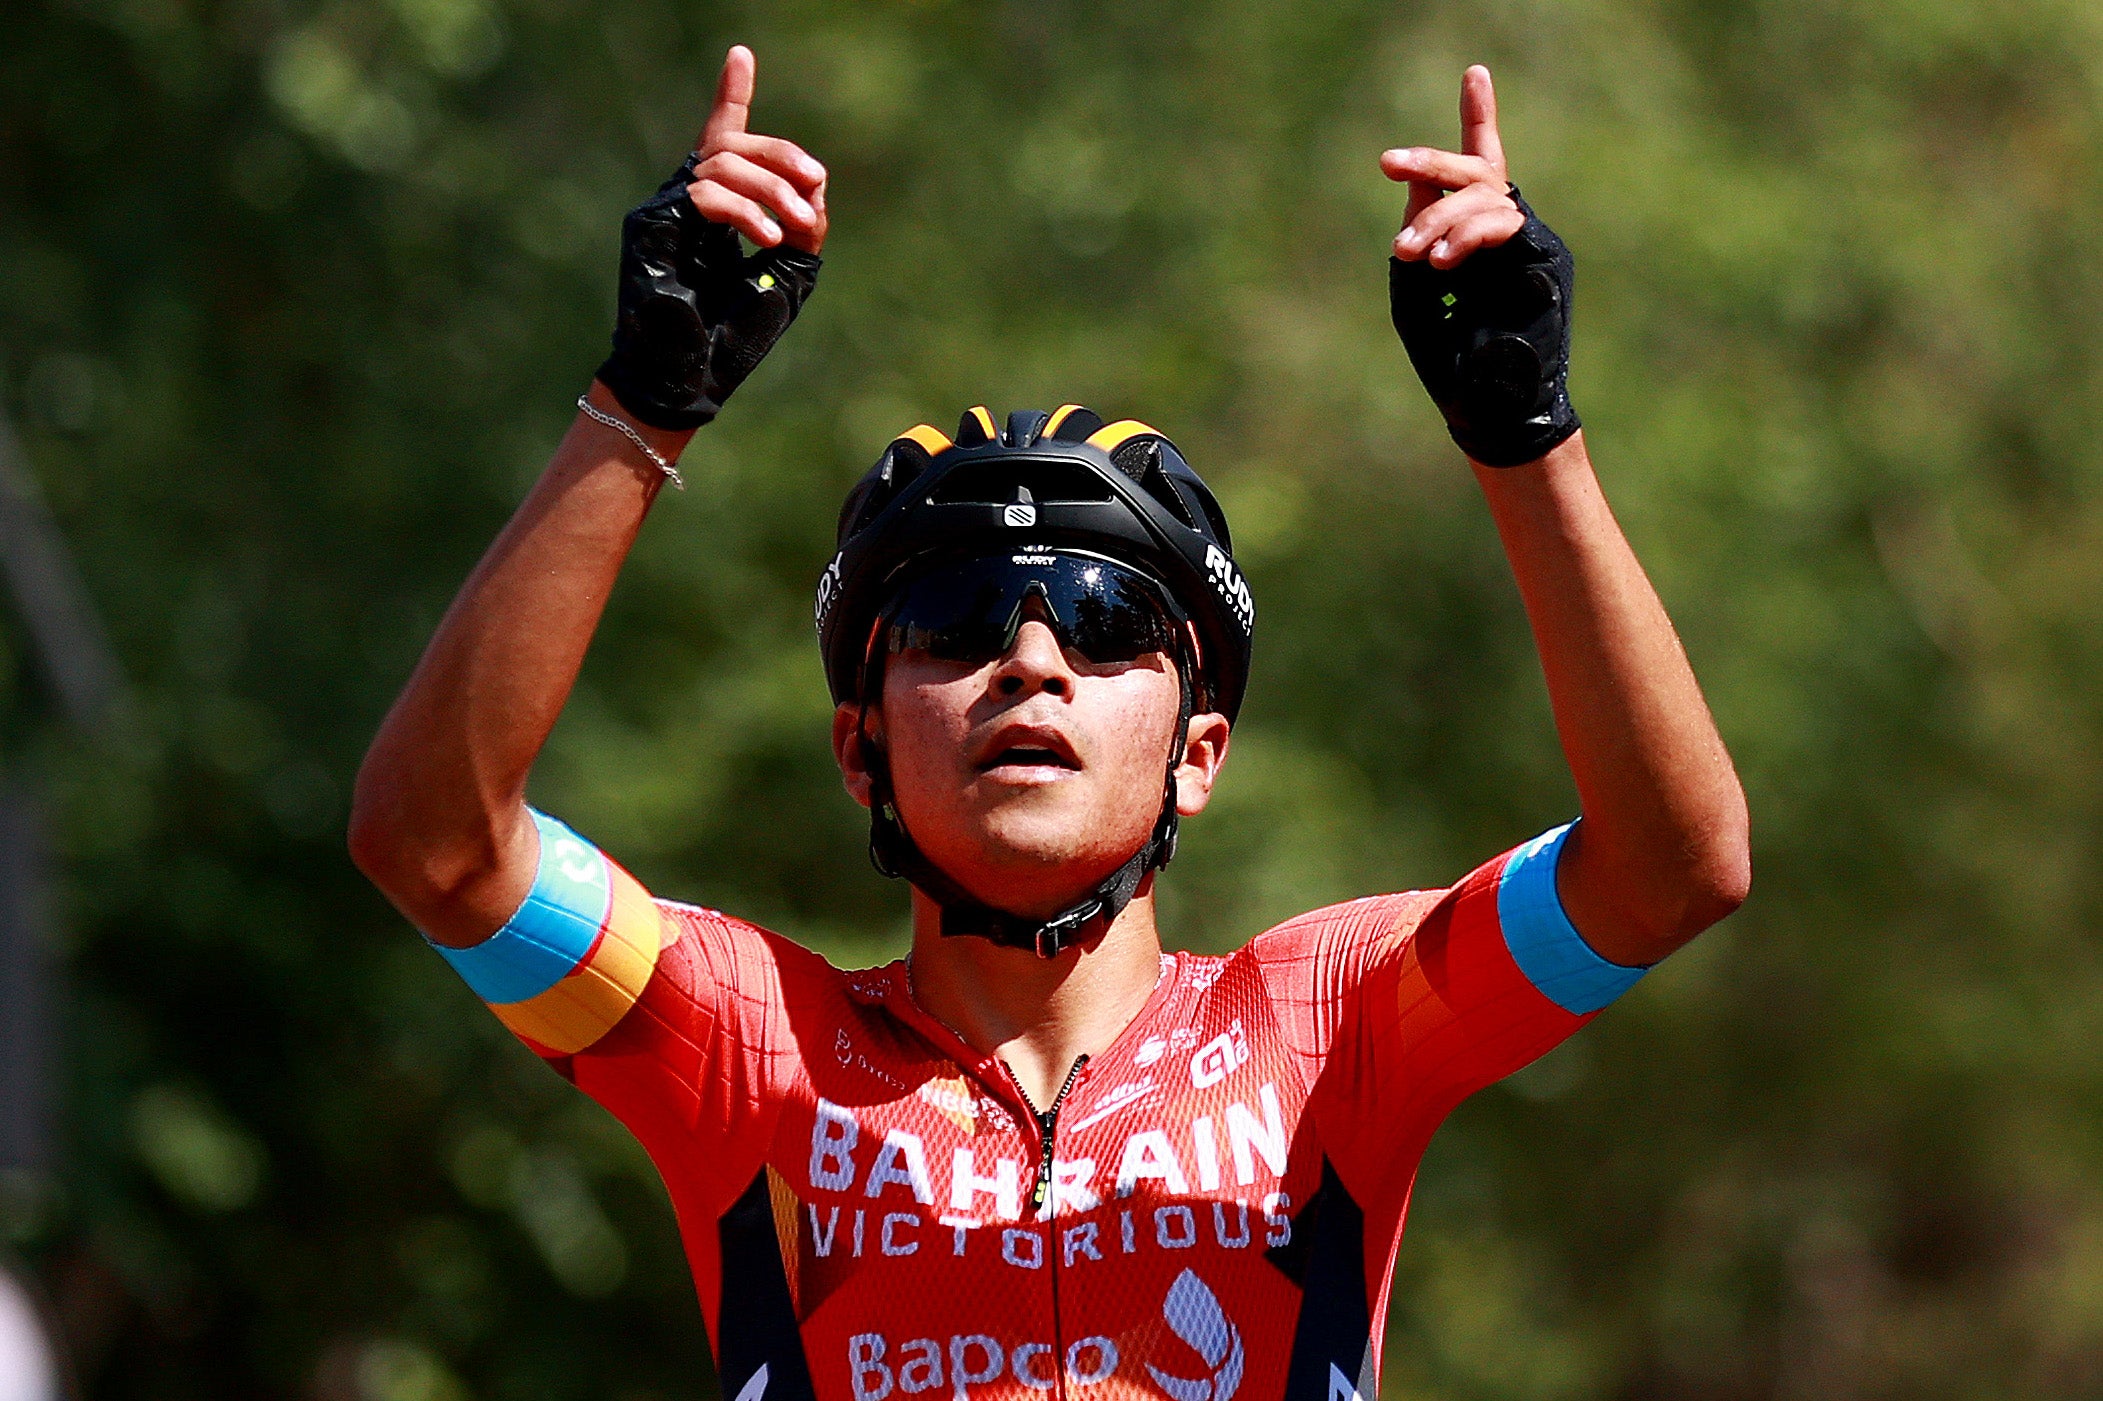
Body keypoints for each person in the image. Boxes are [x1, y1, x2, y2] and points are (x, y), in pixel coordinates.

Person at [350, 44, 1748, 1401]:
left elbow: (1674, 869)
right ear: (859, 749)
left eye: (1106, 622)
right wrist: (640, 408)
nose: (1031, 660)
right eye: (955, 621)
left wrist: (1527, 436)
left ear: (1199, 754)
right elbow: (438, 848)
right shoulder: (747, 1047)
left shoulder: (1337, 1027)